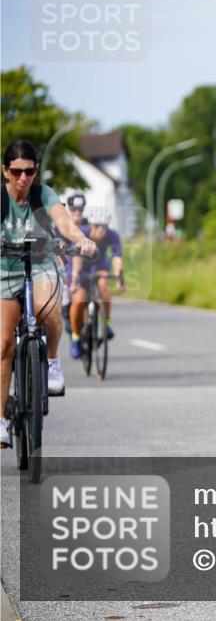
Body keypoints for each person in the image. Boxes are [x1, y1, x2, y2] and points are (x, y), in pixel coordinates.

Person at [1, 140, 96, 448]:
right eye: (17, 172)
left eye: (29, 171)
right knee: (3, 345)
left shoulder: (43, 195)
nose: (23, 178)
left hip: (41, 262)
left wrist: (80, 238)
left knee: (47, 310)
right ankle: (1, 420)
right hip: (4, 268)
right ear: (5, 172)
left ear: (35, 170)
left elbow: (63, 221)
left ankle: (52, 362)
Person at [69, 209, 125, 359]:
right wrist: (74, 280)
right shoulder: (82, 233)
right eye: (96, 226)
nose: (100, 230)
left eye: (104, 226)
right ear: (90, 226)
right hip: (78, 268)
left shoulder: (112, 236)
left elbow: (116, 257)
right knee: (79, 300)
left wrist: (119, 278)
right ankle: (76, 338)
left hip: (99, 267)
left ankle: (106, 322)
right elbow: (77, 258)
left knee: (104, 286)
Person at [61, 193, 87, 324]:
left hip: (86, 270)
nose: (77, 212)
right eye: (74, 209)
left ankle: (104, 322)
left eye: (80, 209)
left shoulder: (88, 226)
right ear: (69, 210)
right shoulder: (63, 228)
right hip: (67, 271)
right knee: (66, 305)